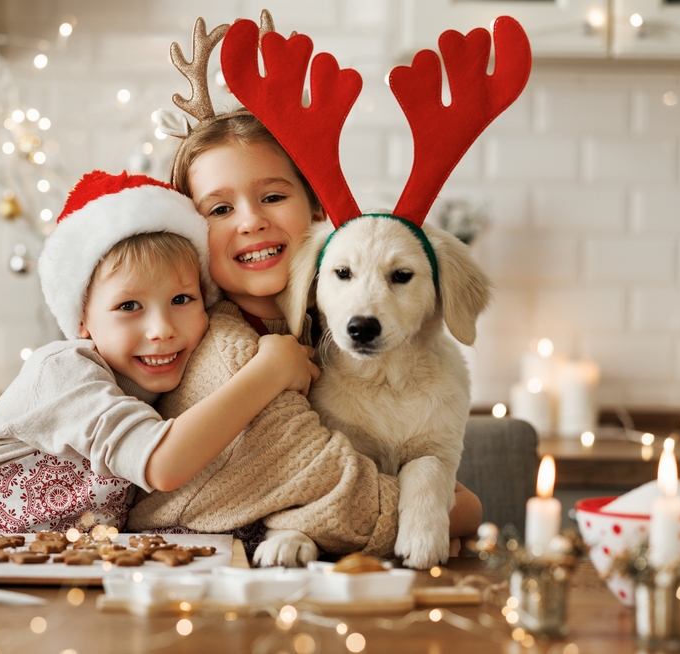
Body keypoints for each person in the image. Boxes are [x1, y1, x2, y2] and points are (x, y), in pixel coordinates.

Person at [0, 170, 318, 533]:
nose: (161, 330)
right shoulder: (64, 373)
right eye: (128, 306)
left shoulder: (168, 386)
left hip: (17, 571)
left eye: (181, 300)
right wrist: (269, 371)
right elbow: (163, 464)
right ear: (82, 324)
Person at [127, 113, 483, 565]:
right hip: (185, 570)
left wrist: (436, 489)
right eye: (220, 209)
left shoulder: (322, 337)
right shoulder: (222, 351)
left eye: (272, 196)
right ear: (193, 233)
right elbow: (334, 488)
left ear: (317, 211)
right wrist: (461, 512)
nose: (252, 221)